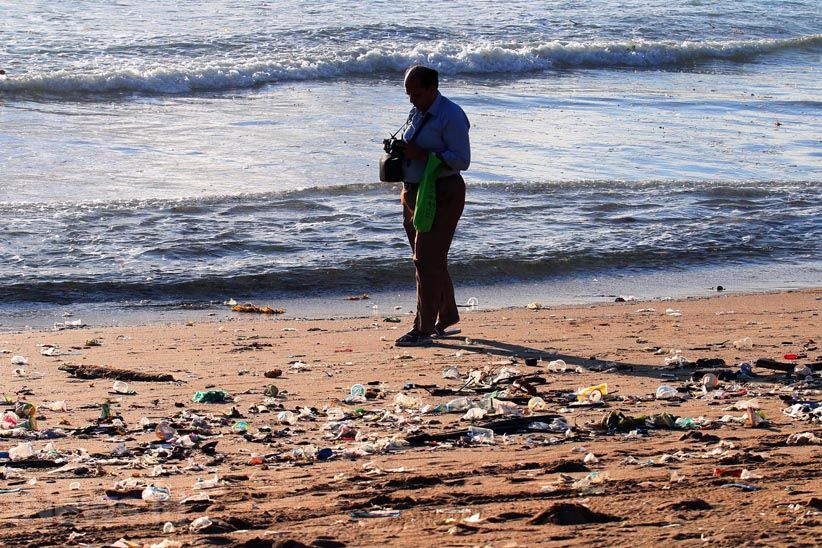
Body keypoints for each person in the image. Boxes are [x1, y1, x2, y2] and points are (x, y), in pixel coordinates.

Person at [394, 65, 471, 347]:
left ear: (432, 89)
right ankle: (446, 315)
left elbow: (462, 160)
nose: (411, 99)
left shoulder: (451, 115)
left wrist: (423, 155)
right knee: (430, 259)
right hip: (415, 192)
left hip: (442, 192)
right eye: (408, 94)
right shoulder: (418, 111)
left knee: (425, 260)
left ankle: (423, 328)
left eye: (416, 94)